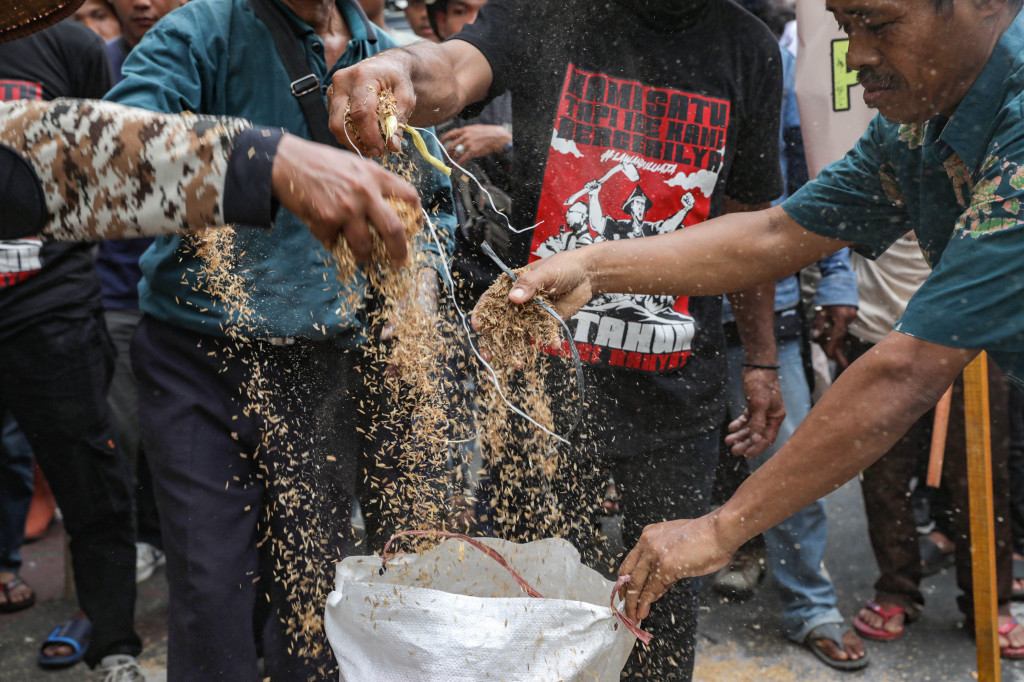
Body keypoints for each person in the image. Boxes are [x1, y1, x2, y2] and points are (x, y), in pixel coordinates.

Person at [475, 0, 1024, 661]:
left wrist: (721, 527)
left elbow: (908, 369)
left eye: (878, 24)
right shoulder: (922, 120)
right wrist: (593, 266)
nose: (855, 57)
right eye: (847, 27)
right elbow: (776, 231)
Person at [330, 2, 787, 678]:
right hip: (539, 385)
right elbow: (454, 72)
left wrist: (763, 360)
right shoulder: (548, 10)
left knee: (660, 613)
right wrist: (397, 67)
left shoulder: (749, 47)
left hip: (676, 389)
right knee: (533, 605)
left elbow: (753, 225)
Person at [105, 0, 455, 679]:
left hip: (321, 365)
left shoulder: (382, 55)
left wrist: (416, 292)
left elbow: (429, 205)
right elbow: (118, 151)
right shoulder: (201, 32)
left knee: (313, 588)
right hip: (199, 356)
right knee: (212, 589)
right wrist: (266, 163)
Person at [709, 36, 866, 669]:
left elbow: (812, 189)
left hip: (764, 314)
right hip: (657, 309)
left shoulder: (766, 61)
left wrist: (835, 278)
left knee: (785, 459)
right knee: (667, 467)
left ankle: (811, 605)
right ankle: (650, 609)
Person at [844, 237, 1021, 656]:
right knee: (881, 471)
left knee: (982, 470)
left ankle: (989, 602)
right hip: (882, 324)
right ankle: (895, 589)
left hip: (975, 329)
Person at [98, 0, 184, 585]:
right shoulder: (94, 61)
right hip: (114, 291)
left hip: (193, 298)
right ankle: (130, 548)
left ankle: (168, 540)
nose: (143, 3)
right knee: (119, 436)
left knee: (181, 450)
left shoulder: (210, 52)